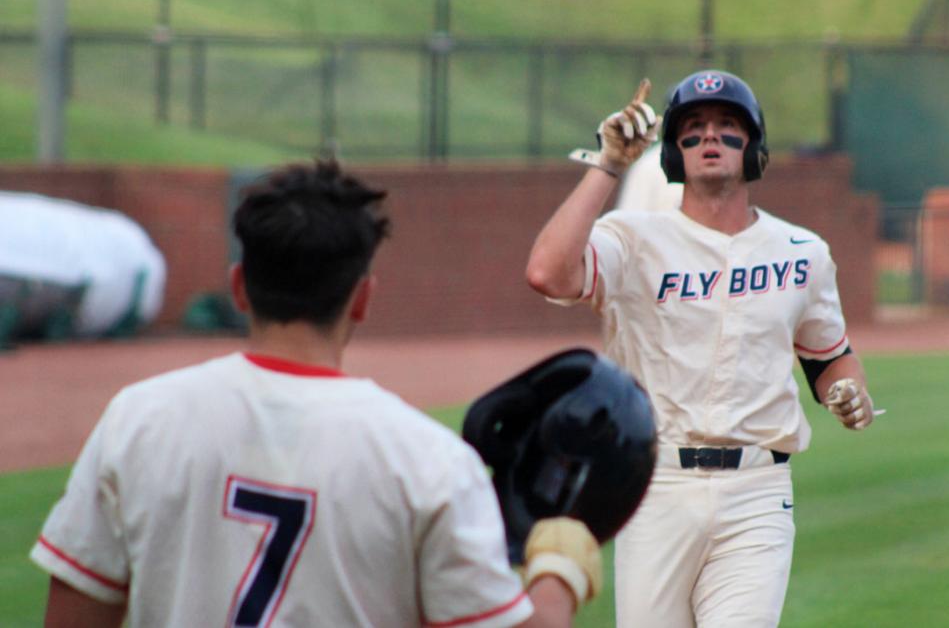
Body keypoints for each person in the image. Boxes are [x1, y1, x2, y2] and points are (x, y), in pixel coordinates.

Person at [30, 159, 601, 628]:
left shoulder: (138, 419)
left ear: (238, 288)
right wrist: (560, 570)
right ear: (362, 299)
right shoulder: (428, 462)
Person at [526, 71, 880, 627]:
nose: (710, 135)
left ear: (753, 145)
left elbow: (829, 356)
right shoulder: (632, 239)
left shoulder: (801, 252)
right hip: (656, 485)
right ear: (674, 150)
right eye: (693, 126)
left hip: (757, 490)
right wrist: (609, 164)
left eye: (727, 123)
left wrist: (850, 388)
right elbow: (547, 272)